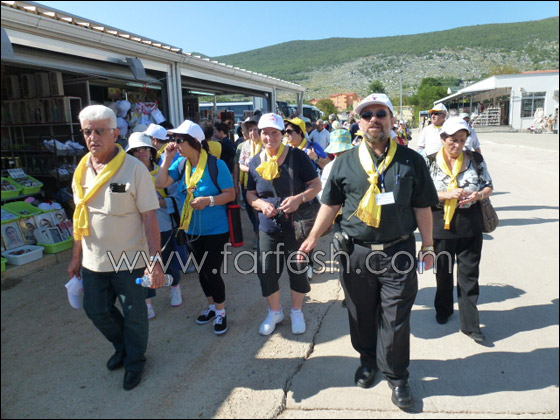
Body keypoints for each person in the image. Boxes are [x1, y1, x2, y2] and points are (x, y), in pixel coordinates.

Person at [299, 94, 438, 409]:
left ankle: (397, 377)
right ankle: (367, 360)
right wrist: (312, 237)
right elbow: (330, 204)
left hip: (398, 252)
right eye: (367, 115)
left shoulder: (411, 161)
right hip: (356, 254)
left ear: (391, 120)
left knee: (396, 318)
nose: (374, 119)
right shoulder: (343, 163)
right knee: (360, 314)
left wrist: (428, 245)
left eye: (380, 113)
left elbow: (423, 206)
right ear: (358, 123)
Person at [67, 104, 163, 391]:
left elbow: (150, 217)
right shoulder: (82, 170)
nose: (93, 137)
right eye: (87, 131)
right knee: (95, 310)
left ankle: (135, 361)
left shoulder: (134, 170)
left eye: (100, 131)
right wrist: (76, 257)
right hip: (93, 261)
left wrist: (155, 261)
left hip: (130, 260)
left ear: (115, 134)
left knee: (135, 314)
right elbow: (80, 218)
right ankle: (123, 347)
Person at [156, 120, 235, 335]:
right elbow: (160, 183)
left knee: (211, 271)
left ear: (194, 142)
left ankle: (221, 312)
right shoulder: (182, 164)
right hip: (191, 228)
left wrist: (209, 200)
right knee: (202, 271)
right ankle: (212, 307)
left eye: (179, 140)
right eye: (174, 139)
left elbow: (230, 194)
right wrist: (168, 158)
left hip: (216, 230)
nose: (176, 144)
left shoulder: (216, 165)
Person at [246, 113, 322, 336]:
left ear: (282, 135)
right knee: (266, 271)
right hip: (268, 226)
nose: (269, 137)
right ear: (259, 135)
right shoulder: (255, 161)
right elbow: (250, 194)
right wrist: (261, 204)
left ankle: (296, 311)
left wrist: (299, 198)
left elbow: (316, 185)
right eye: (265, 133)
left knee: (297, 269)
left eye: (274, 133)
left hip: (296, 225)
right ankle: (275, 311)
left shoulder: (297, 157)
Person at [424, 117, 493, 343]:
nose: (458, 145)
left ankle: (471, 325)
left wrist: (478, 195)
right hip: (441, 226)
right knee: (443, 273)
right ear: (443, 138)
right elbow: (421, 194)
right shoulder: (429, 162)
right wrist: (445, 195)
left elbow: (489, 186)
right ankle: (443, 309)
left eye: (462, 140)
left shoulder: (475, 159)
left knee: (469, 276)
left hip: (470, 225)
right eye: (453, 140)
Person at [126, 132, 183, 319]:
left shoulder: (163, 172)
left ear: (151, 151)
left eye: (145, 148)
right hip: (137, 228)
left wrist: (160, 202)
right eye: (136, 150)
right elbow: (114, 192)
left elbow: (178, 196)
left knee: (168, 261)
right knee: (143, 265)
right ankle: (147, 302)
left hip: (163, 225)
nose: (141, 152)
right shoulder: (126, 176)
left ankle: (175, 287)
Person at [238, 117, 263, 249]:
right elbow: (241, 164)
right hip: (248, 183)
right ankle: (257, 234)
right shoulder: (246, 145)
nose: (253, 132)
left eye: (256, 129)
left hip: (263, 184)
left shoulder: (266, 145)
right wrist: (251, 170)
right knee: (251, 211)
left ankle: (262, 236)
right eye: (251, 130)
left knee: (262, 211)